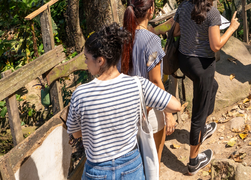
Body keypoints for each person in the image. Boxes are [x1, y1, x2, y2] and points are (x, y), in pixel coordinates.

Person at [66, 23, 182, 180]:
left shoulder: (80, 94)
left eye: (87, 58)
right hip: (131, 166)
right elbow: (176, 106)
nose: (86, 63)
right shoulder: (137, 84)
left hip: (97, 170)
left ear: (100, 60)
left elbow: (76, 133)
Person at [173, 0, 241, 175]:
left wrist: (192, 31)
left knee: (214, 86)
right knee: (198, 114)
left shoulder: (184, 6)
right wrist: (232, 28)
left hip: (184, 60)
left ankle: (203, 126)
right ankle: (193, 162)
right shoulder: (212, 13)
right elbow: (216, 45)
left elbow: (176, 31)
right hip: (202, 67)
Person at [120, 0, 176, 164]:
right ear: (150, 10)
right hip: (149, 110)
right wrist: (168, 113)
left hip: (125, 109)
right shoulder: (152, 41)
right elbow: (155, 80)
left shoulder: (119, 37)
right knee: (153, 163)